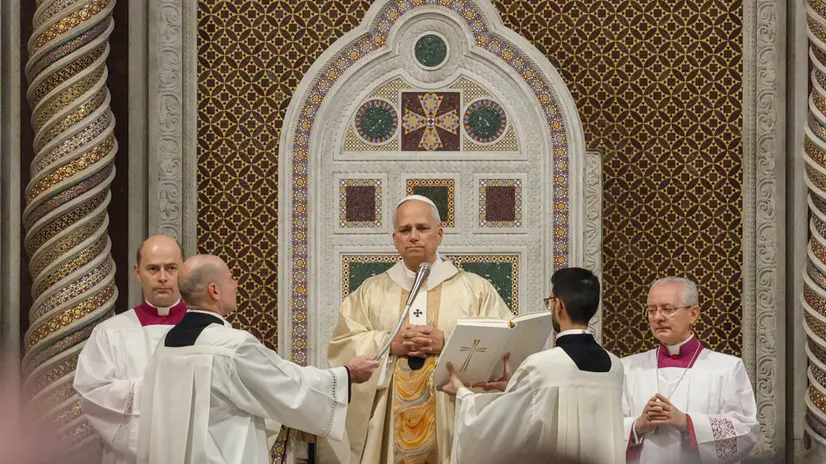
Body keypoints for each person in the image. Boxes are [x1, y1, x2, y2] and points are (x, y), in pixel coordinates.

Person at [136, 254, 379, 464]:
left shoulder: (165, 345)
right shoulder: (231, 346)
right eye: (231, 279)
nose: (236, 284)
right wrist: (346, 374)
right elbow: (287, 386)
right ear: (214, 291)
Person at [325, 195, 513, 463]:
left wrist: (447, 342)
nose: (413, 236)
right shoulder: (371, 291)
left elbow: (502, 348)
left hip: (450, 417)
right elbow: (341, 346)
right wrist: (389, 344)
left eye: (422, 228)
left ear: (439, 234)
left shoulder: (475, 289)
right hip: (389, 424)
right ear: (395, 238)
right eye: (405, 229)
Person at [440, 267, 625, 464]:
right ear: (595, 308)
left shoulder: (541, 366)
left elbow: (497, 427)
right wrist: (515, 387)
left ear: (559, 306)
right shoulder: (615, 366)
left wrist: (463, 393)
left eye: (551, 301)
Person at [74, 235, 187, 464]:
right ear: (138, 273)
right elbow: (91, 392)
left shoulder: (212, 332)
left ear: (183, 270)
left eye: (171, 268)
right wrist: (157, 388)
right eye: (153, 269)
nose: (163, 277)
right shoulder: (110, 333)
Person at [622, 277, 760, 463]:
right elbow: (604, 430)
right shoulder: (627, 368)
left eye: (668, 309)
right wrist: (638, 425)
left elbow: (745, 431)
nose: (658, 317)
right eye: (651, 310)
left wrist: (687, 423)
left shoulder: (727, 368)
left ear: (693, 314)